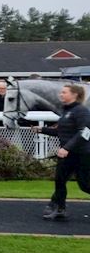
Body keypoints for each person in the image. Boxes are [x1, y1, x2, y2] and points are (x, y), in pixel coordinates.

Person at [32, 83, 90, 220]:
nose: (61, 95)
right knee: (60, 181)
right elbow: (61, 132)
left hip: (81, 154)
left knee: (85, 185)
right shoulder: (67, 111)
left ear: (74, 95)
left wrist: (66, 148)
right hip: (67, 154)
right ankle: (60, 209)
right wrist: (41, 129)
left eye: (64, 92)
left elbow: (85, 132)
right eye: (61, 92)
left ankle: (58, 207)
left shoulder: (81, 111)